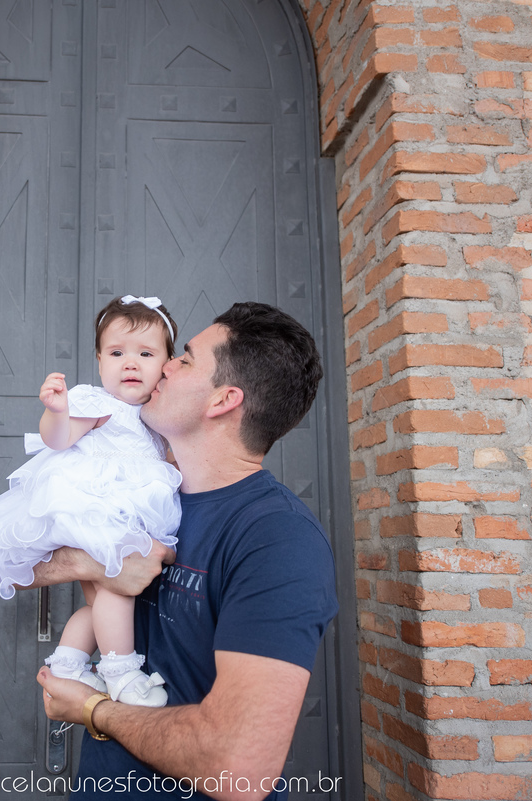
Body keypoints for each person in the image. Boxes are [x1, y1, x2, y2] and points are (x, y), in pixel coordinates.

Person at [31, 301, 339, 801]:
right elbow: (20, 566)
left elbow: (239, 770)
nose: (165, 364)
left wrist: (91, 709)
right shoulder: (147, 497)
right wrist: (97, 563)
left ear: (223, 400)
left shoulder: (279, 540)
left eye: (186, 359)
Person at [0, 296, 183, 706]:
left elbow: (171, 462)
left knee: (100, 600)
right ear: (98, 361)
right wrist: (57, 411)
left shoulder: (157, 417)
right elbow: (58, 440)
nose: (130, 363)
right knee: (115, 589)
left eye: (145, 354)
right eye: (117, 353)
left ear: (166, 365)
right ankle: (122, 671)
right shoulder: (99, 404)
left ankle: (68, 663)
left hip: (128, 511)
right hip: (92, 504)